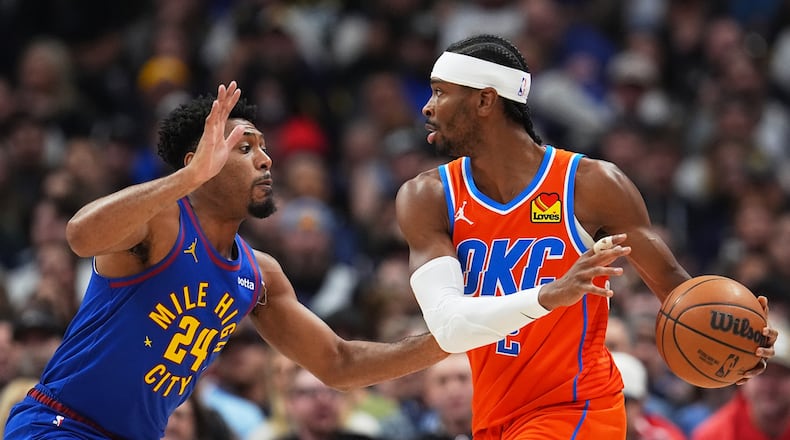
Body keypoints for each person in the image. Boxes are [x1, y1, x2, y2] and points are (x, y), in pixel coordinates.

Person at [3, 81, 448, 439]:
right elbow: (81, 236)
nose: (267, 159)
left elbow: (340, 363)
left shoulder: (260, 275)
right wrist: (187, 178)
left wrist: (449, 338)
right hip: (61, 425)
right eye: (246, 147)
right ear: (200, 161)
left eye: (264, 147)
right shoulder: (159, 222)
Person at [394, 34, 779, 440]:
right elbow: (449, 326)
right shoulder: (427, 198)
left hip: (578, 408)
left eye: (440, 92)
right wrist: (551, 294)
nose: (427, 105)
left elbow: (677, 292)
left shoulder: (590, 185)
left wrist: (735, 336)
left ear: (486, 101)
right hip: (494, 416)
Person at [691, 317, 790, 440]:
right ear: (743, 378)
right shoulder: (713, 435)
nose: (770, 385)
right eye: (762, 372)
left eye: (781, 373)